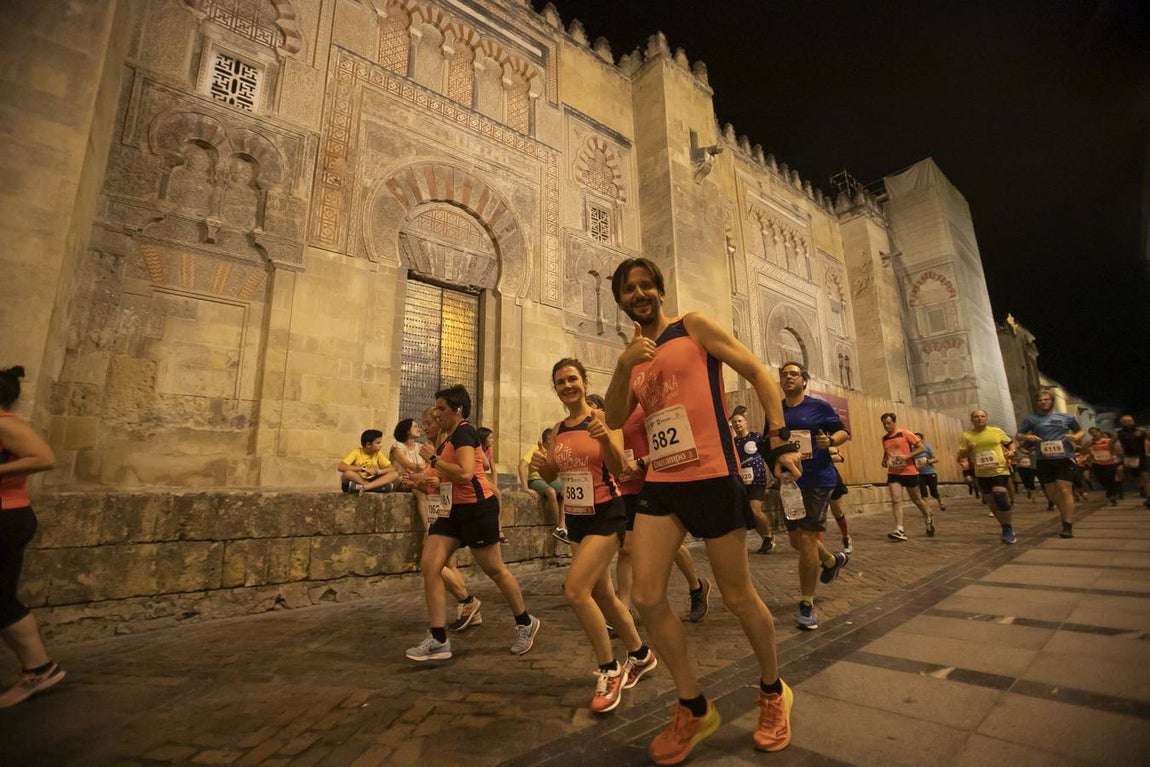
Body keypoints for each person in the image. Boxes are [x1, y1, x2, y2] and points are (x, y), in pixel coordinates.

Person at [603, 257, 802, 763]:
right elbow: (612, 418)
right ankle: (693, 707)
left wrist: (777, 438)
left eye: (646, 285)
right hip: (662, 484)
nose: (639, 293)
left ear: (660, 290)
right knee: (647, 597)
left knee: (738, 596)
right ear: (621, 300)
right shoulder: (633, 356)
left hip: (713, 476)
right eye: (629, 289)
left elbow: (757, 370)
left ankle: (774, 692)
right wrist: (625, 365)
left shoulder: (693, 327)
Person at [531, 361, 656, 713]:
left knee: (575, 590)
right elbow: (556, 470)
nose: (567, 385)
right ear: (555, 389)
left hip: (607, 512)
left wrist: (605, 439)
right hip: (576, 517)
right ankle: (641, 655)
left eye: (573, 379)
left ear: (585, 382)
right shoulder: (558, 428)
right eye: (560, 382)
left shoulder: (604, 419)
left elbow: (621, 469)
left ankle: (609, 668)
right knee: (603, 594)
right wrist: (544, 464)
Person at [405, 385, 540, 661]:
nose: (437, 414)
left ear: (458, 410)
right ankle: (439, 638)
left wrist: (432, 459)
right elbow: (444, 478)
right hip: (452, 512)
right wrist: (420, 480)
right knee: (430, 566)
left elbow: (465, 474)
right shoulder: (448, 439)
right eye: (437, 408)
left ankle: (525, 621)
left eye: (442, 409)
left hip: (478, 510)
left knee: (495, 569)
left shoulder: (465, 432)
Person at [0, 366, 65, 708]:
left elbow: (44, 458)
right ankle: (38, 668)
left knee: (2, 599)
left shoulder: (6, 423)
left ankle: (38, 669)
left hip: (7, 516)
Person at [615, 402, 711, 624]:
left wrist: (641, 462)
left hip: (654, 482)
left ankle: (696, 587)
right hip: (627, 487)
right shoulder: (615, 412)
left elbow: (672, 443)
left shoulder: (649, 407)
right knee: (626, 549)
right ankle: (623, 611)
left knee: (669, 545)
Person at [778, 361, 851, 631]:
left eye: (794, 374)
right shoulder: (776, 411)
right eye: (784, 375)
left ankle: (806, 604)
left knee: (808, 540)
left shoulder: (818, 407)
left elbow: (843, 432)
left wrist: (830, 442)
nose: (789, 378)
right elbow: (769, 440)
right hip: (790, 482)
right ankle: (832, 560)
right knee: (797, 541)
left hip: (818, 480)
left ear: (804, 380)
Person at [415, 407, 483, 633]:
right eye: (423, 424)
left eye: (429, 423)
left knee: (440, 565)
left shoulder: (448, 447)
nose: (425, 428)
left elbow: (466, 475)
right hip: (440, 511)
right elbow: (435, 483)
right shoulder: (432, 450)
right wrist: (420, 483)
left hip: (452, 513)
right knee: (438, 565)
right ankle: (467, 606)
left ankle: (467, 602)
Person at [1017, 391, 1084, 538]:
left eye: (1046, 399)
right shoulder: (1031, 419)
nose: (1043, 402)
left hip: (1064, 458)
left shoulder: (1066, 417)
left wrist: (1075, 437)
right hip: (1044, 460)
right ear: (1037, 403)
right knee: (1053, 496)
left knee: (1064, 489)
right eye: (1040, 400)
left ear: (1052, 401)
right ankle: (1066, 513)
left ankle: (1067, 525)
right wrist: (1028, 436)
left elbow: (1080, 431)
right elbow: (1019, 435)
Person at [957, 409, 1018, 544]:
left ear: (986, 418)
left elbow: (1010, 443)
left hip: (999, 469)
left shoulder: (996, 431)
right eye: (976, 417)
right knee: (991, 502)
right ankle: (1004, 526)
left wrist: (1012, 452)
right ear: (972, 419)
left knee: (1000, 496)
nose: (979, 418)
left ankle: (1008, 528)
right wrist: (968, 450)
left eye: (982, 416)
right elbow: (960, 456)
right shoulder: (967, 436)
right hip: (981, 473)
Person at [879, 413, 934, 541]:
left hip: (909, 471)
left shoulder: (905, 433)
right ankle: (899, 529)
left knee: (916, 499)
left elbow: (921, 448)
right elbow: (887, 451)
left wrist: (907, 457)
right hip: (893, 472)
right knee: (896, 499)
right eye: (884, 424)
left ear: (894, 422)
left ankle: (928, 517)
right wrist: (884, 460)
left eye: (888, 423)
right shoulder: (884, 438)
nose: (886, 426)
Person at [730, 411, 776, 554]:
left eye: (740, 421)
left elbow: (770, 454)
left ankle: (768, 535)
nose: (737, 424)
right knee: (747, 514)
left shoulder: (757, 438)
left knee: (755, 511)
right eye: (735, 422)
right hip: (740, 482)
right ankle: (767, 538)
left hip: (757, 479)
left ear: (745, 422)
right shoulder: (732, 443)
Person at [519, 429, 569, 544]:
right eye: (553, 442)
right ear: (547, 441)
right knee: (551, 492)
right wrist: (525, 488)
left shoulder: (554, 452)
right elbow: (522, 466)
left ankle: (562, 526)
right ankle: (558, 528)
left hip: (549, 479)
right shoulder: (535, 449)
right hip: (535, 479)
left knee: (565, 493)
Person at [391, 418, 430, 526]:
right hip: (401, 480)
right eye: (415, 426)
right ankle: (427, 528)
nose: (419, 429)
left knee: (427, 489)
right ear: (407, 431)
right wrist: (421, 470)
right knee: (422, 490)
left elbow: (430, 465)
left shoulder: (420, 447)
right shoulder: (397, 446)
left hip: (416, 480)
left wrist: (423, 471)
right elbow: (407, 465)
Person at [1114, 414, 1150, 508]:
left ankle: (1149, 498)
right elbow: (1110, 443)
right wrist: (1113, 453)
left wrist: (1146, 433)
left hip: (1141, 457)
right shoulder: (1119, 433)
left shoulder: (1141, 431)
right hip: (1127, 457)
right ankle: (1114, 493)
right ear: (1122, 423)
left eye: (1130, 421)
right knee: (1120, 473)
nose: (1129, 423)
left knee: (1145, 476)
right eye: (1126, 421)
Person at [827, 446, 852, 553]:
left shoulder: (826, 443)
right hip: (814, 481)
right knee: (818, 515)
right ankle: (817, 548)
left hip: (832, 479)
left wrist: (825, 456)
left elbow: (839, 457)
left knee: (837, 511)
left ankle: (846, 537)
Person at [914, 432, 946, 512]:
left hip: (930, 472)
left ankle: (940, 501)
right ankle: (928, 510)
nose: (916, 440)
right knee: (923, 493)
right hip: (919, 474)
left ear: (921, 439)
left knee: (933, 491)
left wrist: (927, 461)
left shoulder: (926, 447)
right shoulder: (912, 450)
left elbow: (936, 459)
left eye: (918, 438)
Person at [1088, 430, 1121, 506]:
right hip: (1097, 464)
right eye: (1092, 432)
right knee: (1101, 480)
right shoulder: (1090, 442)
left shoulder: (1108, 441)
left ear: (1100, 433)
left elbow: (1116, 449)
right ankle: (1110, 490)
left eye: (1095, 432)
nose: (1094, 433)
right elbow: (1086, 451)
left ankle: (1112, 496)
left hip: (1110, 463)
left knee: (1111, 479)